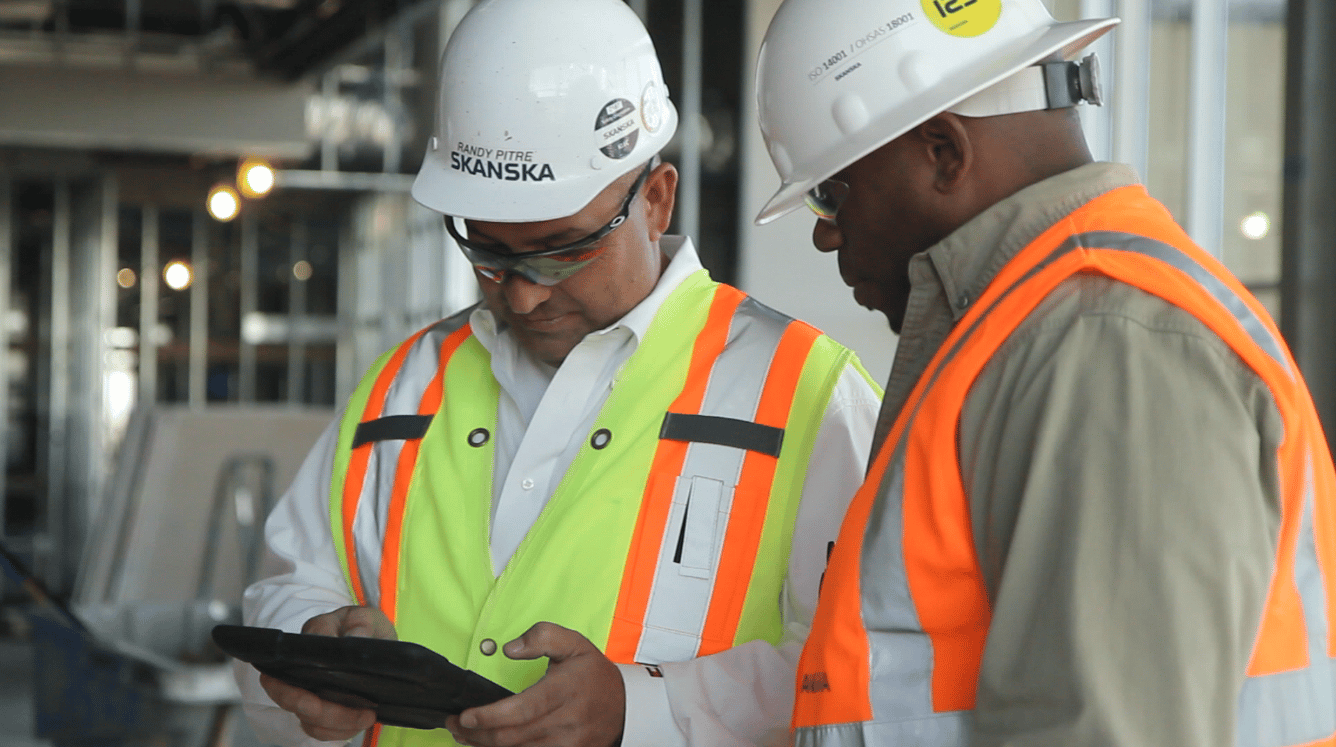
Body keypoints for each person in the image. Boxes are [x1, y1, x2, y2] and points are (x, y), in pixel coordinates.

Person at [235, 1, 882, 746]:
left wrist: (639, 709)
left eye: (562, 249)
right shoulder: (404, 387)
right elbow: (289, 583)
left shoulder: (804, 394)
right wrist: (316, 635)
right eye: (489, 253)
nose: (525, 291)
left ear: (656, 199)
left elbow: (862, 669)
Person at [752, 0, 1336, 745]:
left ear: (942, 152)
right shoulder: (1035, 337)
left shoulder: (1103, 350)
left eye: (831, 193)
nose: (827, 233)